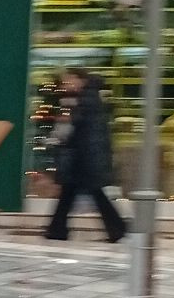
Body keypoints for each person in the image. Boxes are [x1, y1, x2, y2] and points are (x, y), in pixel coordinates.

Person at [45, 67, 127, 243]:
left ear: (79, 79)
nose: (65, 84)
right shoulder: (88, 97)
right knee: (72, 193)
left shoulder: (86, 99)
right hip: (84, 156)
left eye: (69, 80)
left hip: (85, 157)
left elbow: (77, 127)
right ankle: (57, 229)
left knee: (91, 194)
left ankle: (117, 229)